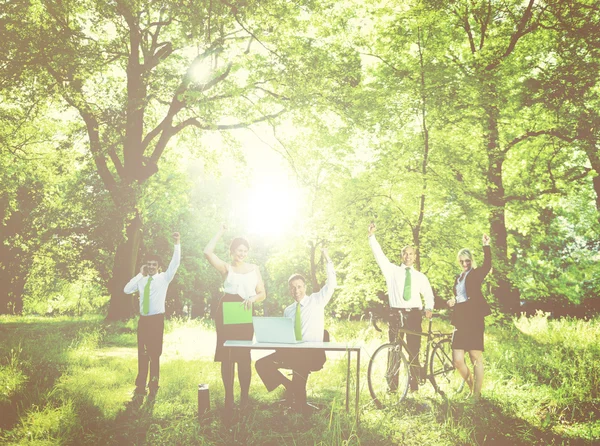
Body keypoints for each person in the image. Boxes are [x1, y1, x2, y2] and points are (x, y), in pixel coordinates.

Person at [255, 248, 336, 413]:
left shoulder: (317, 301)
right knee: (261, 364)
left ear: (304, 287)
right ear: (289, 290)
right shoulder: (289, 310)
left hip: (311, 355)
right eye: (293, 288)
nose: (296, 291)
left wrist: (328, 260)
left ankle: (299, 404)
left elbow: (332, 284)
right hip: (291, 353)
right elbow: (286, 336)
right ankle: (290, 387)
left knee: (300, 364)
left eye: (299, 286)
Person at [204, 225, 266, 411]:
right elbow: (207, 252)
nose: (242, 254)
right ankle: (228, 397)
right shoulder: (226, 268)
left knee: (244, 356)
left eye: (245, 251)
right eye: (239, 250)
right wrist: (220, 231)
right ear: (232, 251)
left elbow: (262, 293)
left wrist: (253, 298)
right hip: (226, 311)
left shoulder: (254, 268)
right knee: (227, 356)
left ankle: (244, 398)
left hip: (245, 312)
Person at [367, 223, 434, 392]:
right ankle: (393, 387)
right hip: (396, 314)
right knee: (394, 349)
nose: (408, 256)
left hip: (414, 315)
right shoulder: (392, 271)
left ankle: (414, 385)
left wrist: (429, 307)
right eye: (405, 253)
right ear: (401, 255)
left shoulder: (420, 277)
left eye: (411, 253)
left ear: (415, 256)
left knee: (414, 350)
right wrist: (372, 237)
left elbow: (428, 293)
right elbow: (380, 256)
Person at [124, 231, 181, 401]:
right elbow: (126, 290)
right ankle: (140, 385)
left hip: (156, 320)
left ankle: (154, 385)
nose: (151, 266)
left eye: (154, 264)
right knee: (142, 353)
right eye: (148, 264)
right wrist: (139, 274)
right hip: (144, 321)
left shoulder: (164, 278)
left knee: (154, 354)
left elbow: (175, 263)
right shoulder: (141, 279)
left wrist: (177, 243)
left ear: (159, 267)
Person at [446, 234, 492, 400]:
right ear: (459, 262)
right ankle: (472, 388)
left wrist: (486, 246)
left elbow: (488, 265)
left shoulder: (477, 274)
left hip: (474, 319)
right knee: (457, 360)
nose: (465, 264)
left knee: (475, 357)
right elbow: (460, 296)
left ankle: (476, 395)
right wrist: (453, 301)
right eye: (462, 261)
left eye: (467, 261)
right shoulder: (458, 278)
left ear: (471, 261)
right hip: (460, 320)